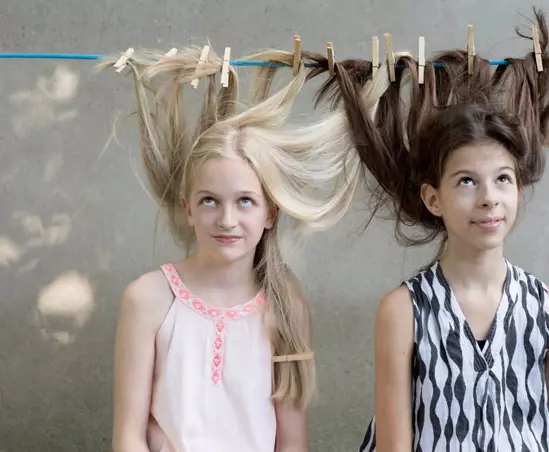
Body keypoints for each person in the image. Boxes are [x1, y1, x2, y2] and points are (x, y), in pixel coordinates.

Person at [96, 44, 391, 452]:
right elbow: (128, 437)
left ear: (270, 212)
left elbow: (291, 443)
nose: (227, 219)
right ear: (188, 209)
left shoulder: (287, 307)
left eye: (245, 201)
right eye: (209, 201)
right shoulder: (146, 299)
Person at [357, 103, 549, 451]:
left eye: (502, 179)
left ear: (518, 191)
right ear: (434, 199)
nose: (488, 198)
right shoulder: (402, 311)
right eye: (466, 182)